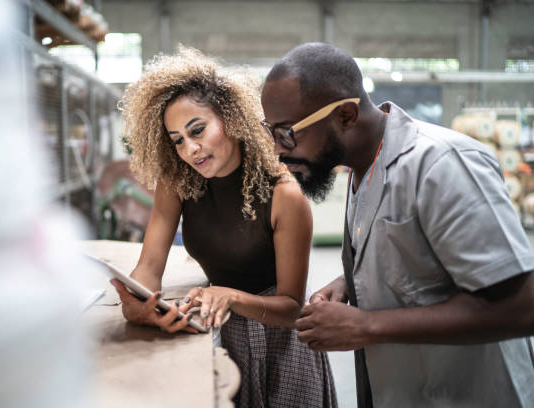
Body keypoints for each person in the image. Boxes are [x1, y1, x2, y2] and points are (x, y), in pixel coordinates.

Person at [260, 42, 534, 408]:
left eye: (288, 133)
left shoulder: (442, 165)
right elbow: (417, 250)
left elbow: (522, 307)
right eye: (271, 132)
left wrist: (364, 326)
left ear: (345, 116)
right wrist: (352, 279)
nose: (278, 149)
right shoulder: (363, 169)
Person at [110, 46, 337, 408]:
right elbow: (150, 267)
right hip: (219, 330)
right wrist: (139, 306)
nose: (190, 149)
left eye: (197, 130)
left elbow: (293, 307)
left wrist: (229, 296)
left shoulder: (284, 195)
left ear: (231, 119)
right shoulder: (178, 183)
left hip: (281, 347)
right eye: (178, 140)